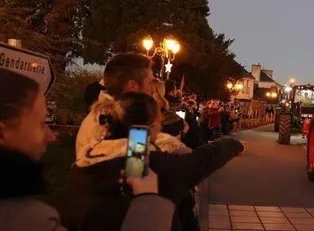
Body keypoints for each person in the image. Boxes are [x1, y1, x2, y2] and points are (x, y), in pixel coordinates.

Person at [0, 68, 175, 231]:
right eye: (40, 124)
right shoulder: (26, 220)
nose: (51, 136)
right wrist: (147, 198)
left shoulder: (87, 162)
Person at [65, 92, 244, 231]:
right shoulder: (143, 165)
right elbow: (200, 161)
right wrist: (233, 144)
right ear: (148, 126)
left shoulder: (83, 165)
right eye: (158, 121)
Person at [76, 53, 154, 159]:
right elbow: (136, 166)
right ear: (133, 86)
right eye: (149, 83)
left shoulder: (109, 116)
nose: (152, 90)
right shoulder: (113, 123)